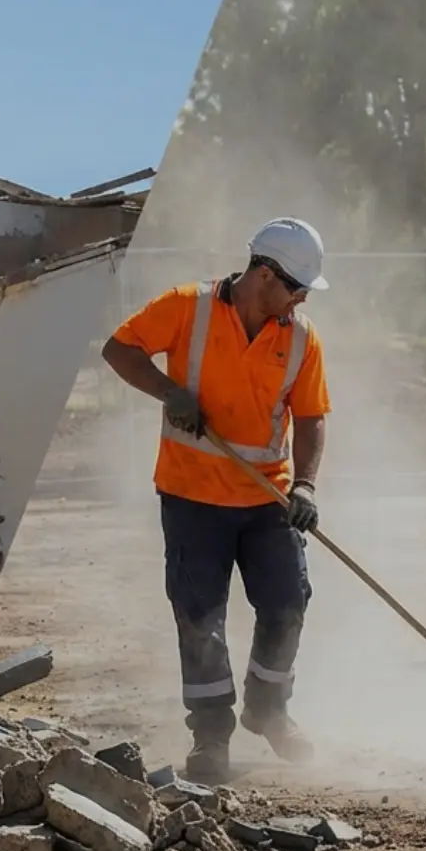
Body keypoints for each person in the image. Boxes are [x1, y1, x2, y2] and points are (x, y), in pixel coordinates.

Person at [101, 216, 331, 783]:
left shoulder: (301, 337)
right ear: (264, 273)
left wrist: (304, 485)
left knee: (287, 603)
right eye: (296, 287)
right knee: (200, 616)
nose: (301, 299)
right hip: (192, 497)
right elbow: (119, 349)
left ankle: (268, 710)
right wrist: (169, 392)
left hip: (267, 499)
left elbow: (311, 417)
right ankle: (211, 737)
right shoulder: (187, 307)